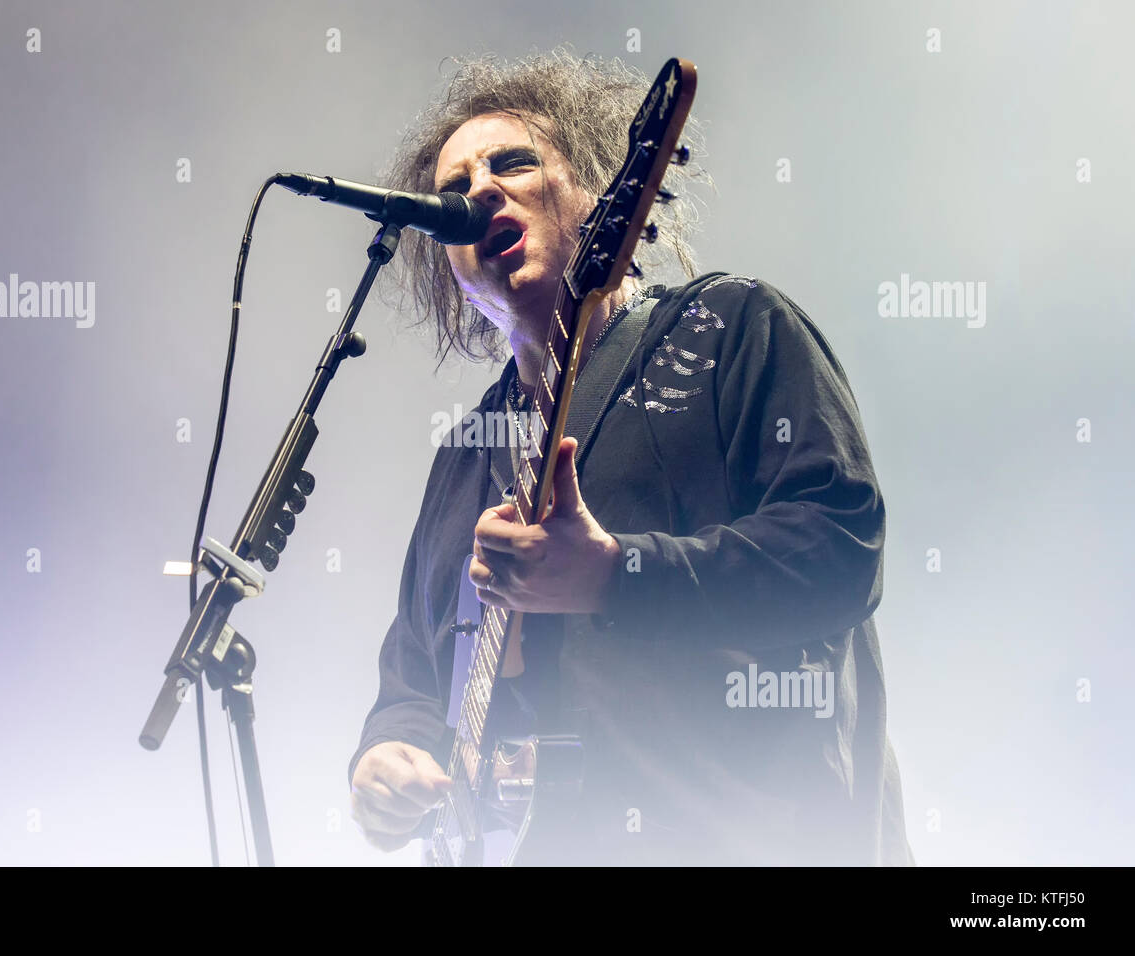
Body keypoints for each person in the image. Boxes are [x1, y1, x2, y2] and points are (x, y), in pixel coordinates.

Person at [348, 50, 914, 866]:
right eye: (454, 187)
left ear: (602, 194)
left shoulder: (730, 326)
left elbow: (842, 548)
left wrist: (617, 575)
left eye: (514, 162)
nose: (479, 190)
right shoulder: (464, 457)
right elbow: (411, 672)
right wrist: (384, 760)